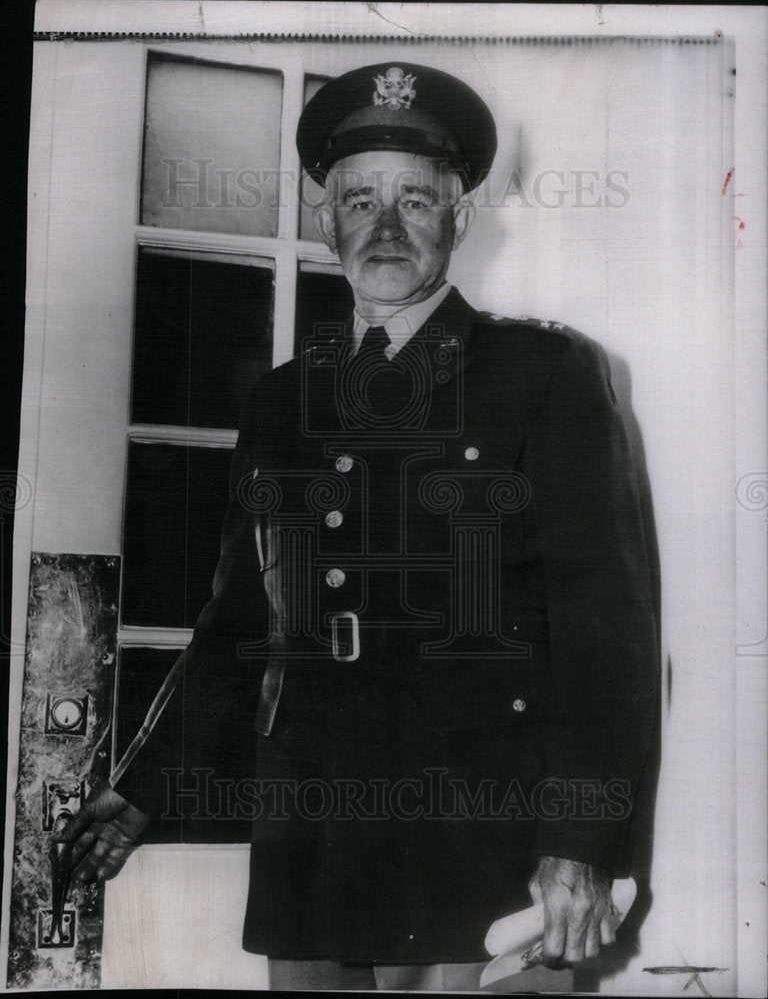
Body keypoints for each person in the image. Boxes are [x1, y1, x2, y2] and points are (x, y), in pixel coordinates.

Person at [58, 62, 659, 992]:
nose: (385, 227)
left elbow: (607, 636)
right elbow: (237, 625)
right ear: (324, 217)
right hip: (315, 834)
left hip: (483, 842)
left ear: (459, 218)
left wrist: (580, 842)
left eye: (415, 200)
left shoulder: (543, 375)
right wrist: (144, 786)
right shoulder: (283, 403)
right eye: (360, 199)